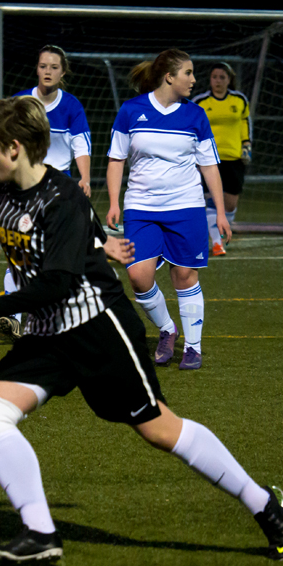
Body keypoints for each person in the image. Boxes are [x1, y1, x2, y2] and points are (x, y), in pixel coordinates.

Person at [0, 95, 283, 565]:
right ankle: (40, 534)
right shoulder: (9, 188)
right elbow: (72, 234)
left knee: (159, 429)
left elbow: (58, 281)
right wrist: (102, 243)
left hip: (98, 330)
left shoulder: (62, 197)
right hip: (48, 334)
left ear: (13, 147)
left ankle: (262, 503)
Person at [106, 49, 232, 371]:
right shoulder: (131, 111)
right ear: (169, 76)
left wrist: (218, 211)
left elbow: (209, 166)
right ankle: (166, 328)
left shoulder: (195, 115)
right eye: (188, 73)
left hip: (186, 206)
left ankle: (193, 347)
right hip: (141, 207)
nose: (193, 80)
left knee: (184, 275)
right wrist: (112, 202)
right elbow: (116, 159)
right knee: (137, 275)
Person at [0, 45, 92, 342]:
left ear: (62, 72)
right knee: (21, 250)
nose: (48, 72)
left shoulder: (71, 106)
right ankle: (12, 318)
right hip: (22, 187)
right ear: (37, 69)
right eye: (43, 66)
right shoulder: (22, 103)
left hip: (59, 189)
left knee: (56, 253)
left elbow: (81, 145)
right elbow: (1, 143)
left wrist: (85, 178)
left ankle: (64, 315)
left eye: (54, 67)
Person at [192, 62, 252, 256]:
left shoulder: (239, 100)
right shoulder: (201, 101)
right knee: (211, 201)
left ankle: (222, 228)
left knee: (230, 204)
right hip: (209, 159)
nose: (217, 81)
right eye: (214, 77)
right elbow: (191, 126)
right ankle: (217, 243)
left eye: (222, 77)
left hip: (234, 159)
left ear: (229, 80)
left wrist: (247, 144)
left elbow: (245, 122)